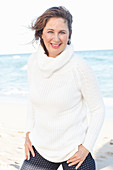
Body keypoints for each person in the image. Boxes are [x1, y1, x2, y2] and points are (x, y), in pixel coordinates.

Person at [20, 6, 105, 170]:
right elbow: (32, 100)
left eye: (62, 32)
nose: (56, 39)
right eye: (50, 31)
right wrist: (28, 133)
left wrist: (86, 147)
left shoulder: (79, 66)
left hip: (74, 151)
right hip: (42, 147)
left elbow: (98, 109)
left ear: (69, 35)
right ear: (41, 33)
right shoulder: (33, 62)